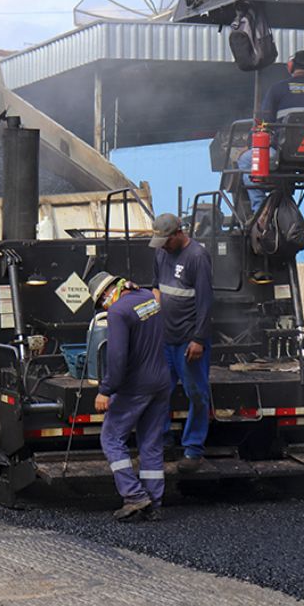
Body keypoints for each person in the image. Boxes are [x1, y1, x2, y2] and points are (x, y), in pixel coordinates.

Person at [88, 271, 170, 522]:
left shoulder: (118, 312)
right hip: (161, 381)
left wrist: (105, 390)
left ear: (108, 292)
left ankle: (134, 496)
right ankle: (154, 503)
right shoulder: (147, 297)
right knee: (151, 442)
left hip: (136, 386)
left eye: (101, 301)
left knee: (111, 438)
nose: (103, 306)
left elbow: (117, 357)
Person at [150, 214, 214, 473]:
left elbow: (206, 302)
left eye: (166, 241)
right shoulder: (161, 253)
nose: (163, 246)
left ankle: (193, 449)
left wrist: (198, 339)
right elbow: (156, 288)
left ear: (179, 233)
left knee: (196, 394)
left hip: (189, 342)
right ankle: (163, 442)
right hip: (165, 339)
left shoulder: (197, 257)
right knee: (158, 391)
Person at [238, 50, 304, 213]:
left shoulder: (277, 89)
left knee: (246, 161)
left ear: (291, 67)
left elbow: (264, 124)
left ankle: (259, 211)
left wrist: (251, 143)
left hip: (282, 155)